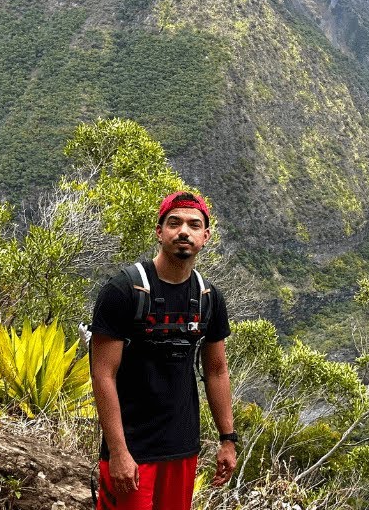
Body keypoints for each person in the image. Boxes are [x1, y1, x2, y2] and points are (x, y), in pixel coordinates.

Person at [89, 191, 237, 510]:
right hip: (132, 448)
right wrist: (118, 451)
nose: (184, 231)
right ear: (160, 232)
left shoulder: (209, 297)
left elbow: (217, 370)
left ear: (205, 236)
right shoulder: (123, 290)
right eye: (175, 223)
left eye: (194, 225)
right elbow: (102, 374)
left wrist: (228, 439)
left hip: (182, 447)